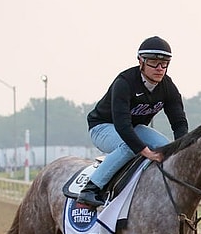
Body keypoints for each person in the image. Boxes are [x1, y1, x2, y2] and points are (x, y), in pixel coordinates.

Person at [76, 36, 189, 207]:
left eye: (164, 63)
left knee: (165, 146)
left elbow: (179, 123)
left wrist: (182, 150)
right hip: (102, 127)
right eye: (153, 62)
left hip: (133, 128)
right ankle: (90, 189)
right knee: (131, 147)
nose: (159, 68)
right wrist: (146, 151)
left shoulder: (168, 86)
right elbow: (122, 125)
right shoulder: (125, 82)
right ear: (140, 61)